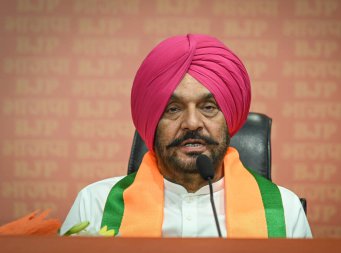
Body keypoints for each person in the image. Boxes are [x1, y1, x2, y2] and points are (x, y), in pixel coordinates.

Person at [61, 34, 312, 238]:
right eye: (173, 109)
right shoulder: (96, 205)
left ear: (229, 119)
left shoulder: (283, 211)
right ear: (152, 122)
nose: (192, 123)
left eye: (208, 107)